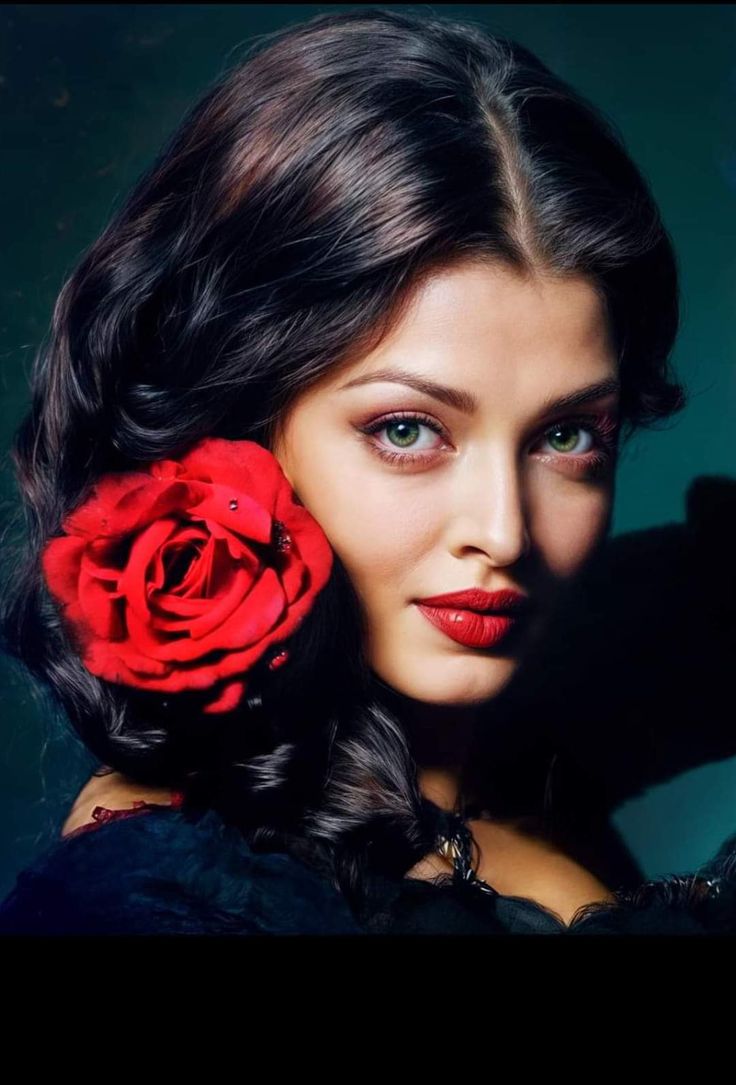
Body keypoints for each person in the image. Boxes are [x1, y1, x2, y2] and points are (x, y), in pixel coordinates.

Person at [0, 7, 734, 936]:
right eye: (404, 429)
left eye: (566, 437)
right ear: (239, 430)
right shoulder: (170, 897)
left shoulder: (532, 708)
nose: (503, 530)